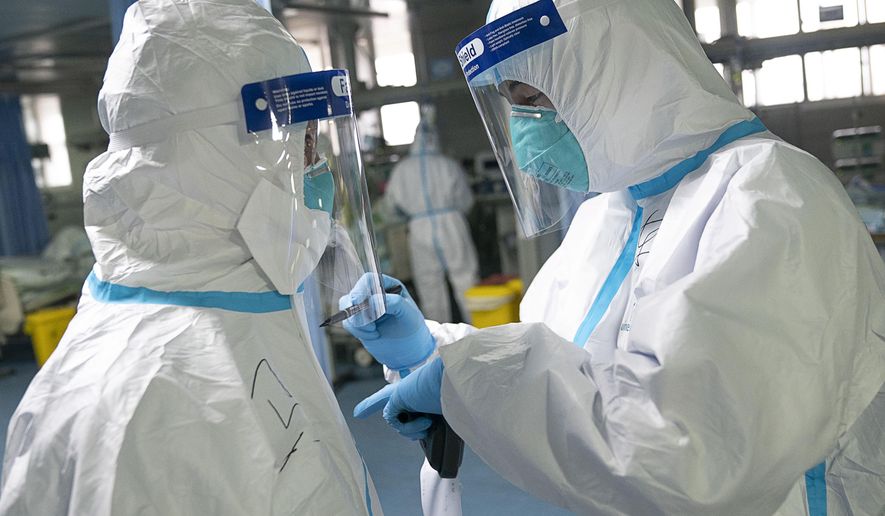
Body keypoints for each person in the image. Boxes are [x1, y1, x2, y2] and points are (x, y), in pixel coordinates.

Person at [347, 0, 885, 514]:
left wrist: (465, 381)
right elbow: (575, 366)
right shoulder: (611, 212)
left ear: (618, 70)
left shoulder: (770, 197)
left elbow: (689, 460)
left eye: (533, 97)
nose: (522, 126)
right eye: (513, 103)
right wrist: (439, 350)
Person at [0, 0, 384, 514]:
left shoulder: (220, 311)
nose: (315, 168)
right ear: (230, 160)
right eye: (303, 142)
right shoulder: (153, 408)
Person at [386, 122, 479, 324]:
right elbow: (466, 199)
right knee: (466, 279)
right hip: (451, 222)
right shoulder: (448, 164)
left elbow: (391, 206)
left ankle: (439, 341)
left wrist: (410, 214)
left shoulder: (401, 169)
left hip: (419, 227)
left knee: (429, 286)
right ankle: (478, 331)